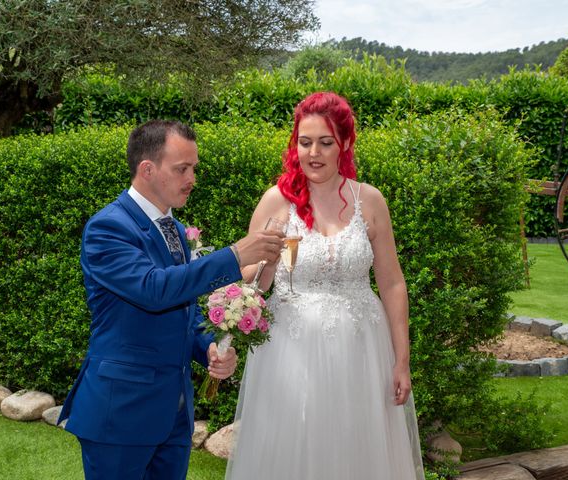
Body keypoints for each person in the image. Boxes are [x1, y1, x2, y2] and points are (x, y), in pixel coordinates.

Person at [58, 120, 284, 480]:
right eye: (182, 168)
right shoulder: (108, 228)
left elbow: (183, 309)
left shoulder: (176, 231)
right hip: (121, 413)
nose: (192, 177)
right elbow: (153, 290)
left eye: (193, 167)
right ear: (147, 169)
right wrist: (234, 255)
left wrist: (207, 347)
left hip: (174, 414)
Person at [225, 92, 426, 479]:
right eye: (305, 142)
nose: (313, 153)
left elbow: (392, 283)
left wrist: (401, 360)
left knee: (357, 449)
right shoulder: (275, 202)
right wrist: (267, 254)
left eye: (325, 142)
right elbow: (250, 284)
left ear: (345, 144)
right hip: (290, 353)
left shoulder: (370, 201)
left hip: (362, 352)